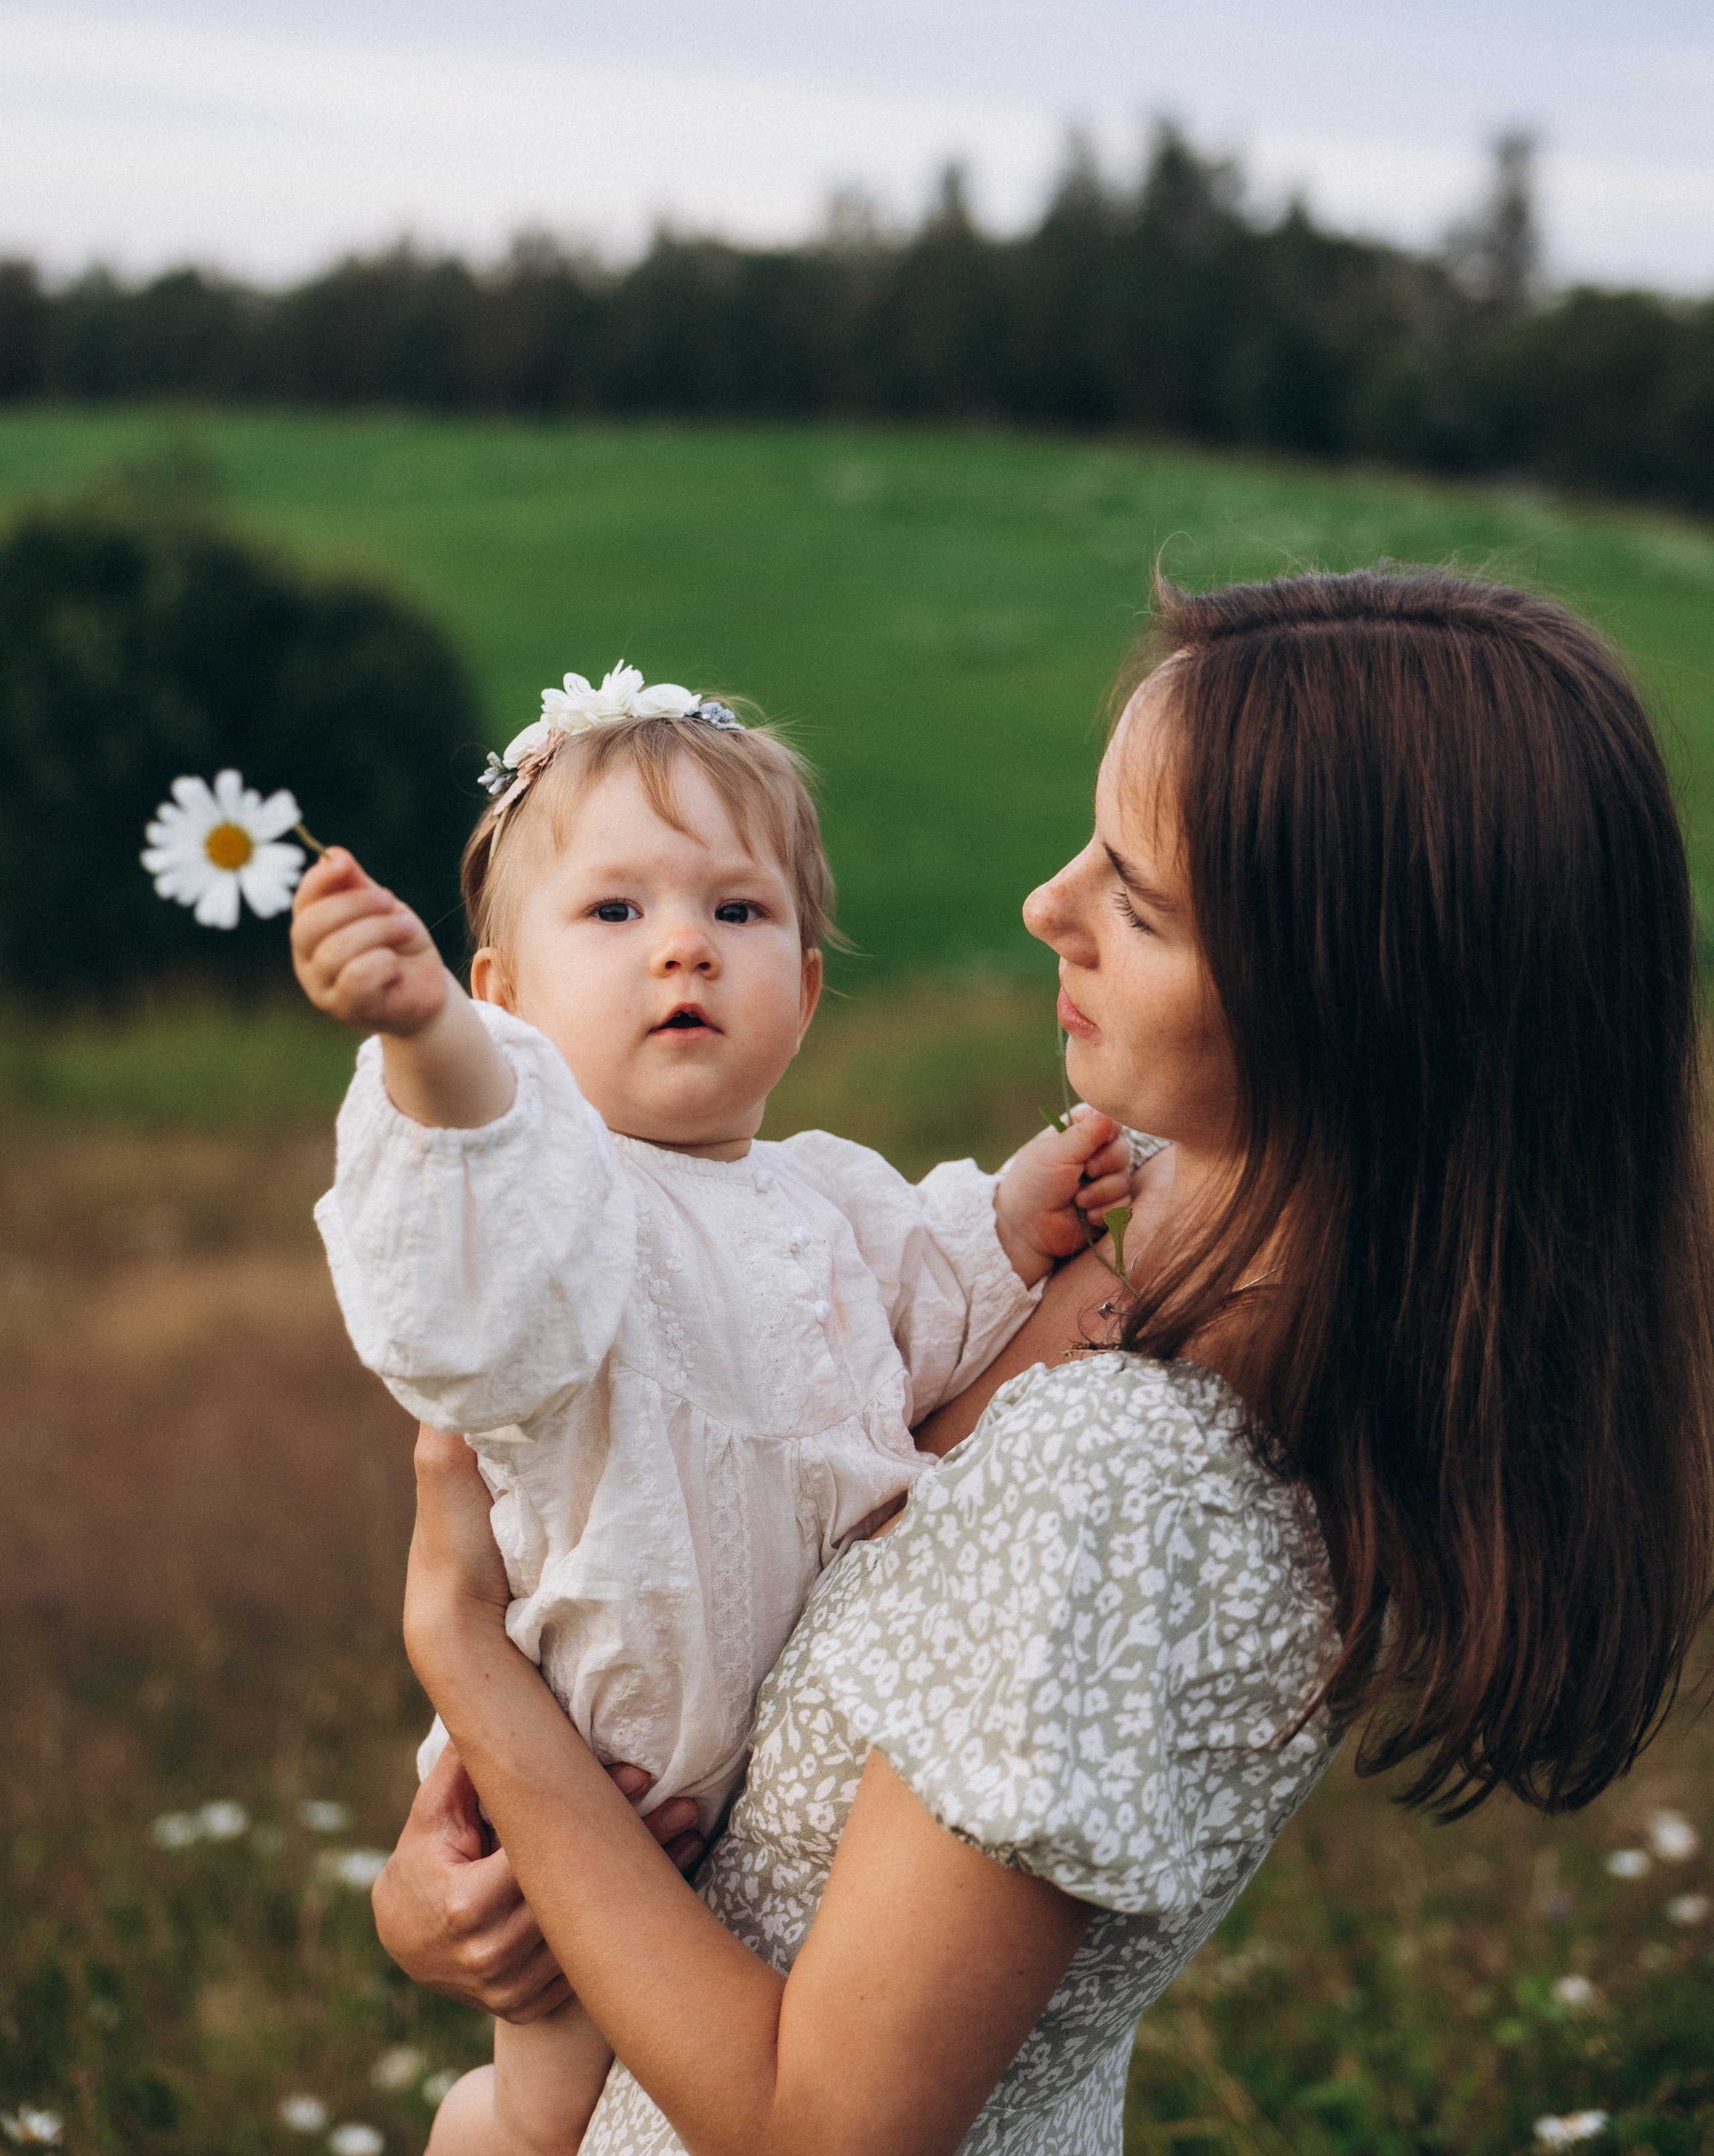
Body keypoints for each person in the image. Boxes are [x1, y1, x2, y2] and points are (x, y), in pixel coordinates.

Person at [379, 568, 1714, 2156]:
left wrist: (466, 1658)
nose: (1044, 904)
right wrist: (456, 1898)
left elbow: (820, 2134)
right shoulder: (1117, 1205)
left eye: (1136, 901)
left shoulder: (1130, 1475)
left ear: (1339, 1006)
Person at [291, 663, 1138, 2154]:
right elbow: (454, 1309)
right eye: (613, 914)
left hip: (781, 1775)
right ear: (510, 999)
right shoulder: (557, 1209)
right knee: (554, 2115)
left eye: (737, 913)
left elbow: (932, 1309)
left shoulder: (826, 1193)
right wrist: (435, 1056)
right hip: (594, 1766)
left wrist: (1017, 1218)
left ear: (803, 986)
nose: (681, 945)